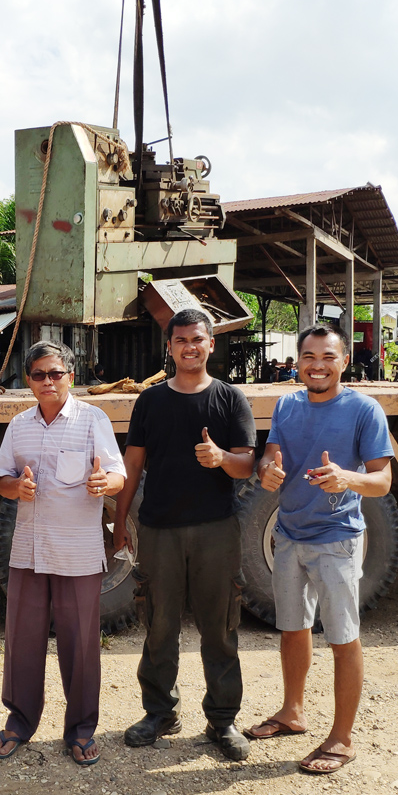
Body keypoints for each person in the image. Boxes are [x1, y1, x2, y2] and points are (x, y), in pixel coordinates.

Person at [245, 324, 393, 773]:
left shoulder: (364, 410)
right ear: (298, 362)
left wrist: (347, 478)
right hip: (289, 536)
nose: (318, 365)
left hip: (336, 540)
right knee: (293, 629)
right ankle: (292, 712)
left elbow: (382, 481)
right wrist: (266, 471)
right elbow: (270, 456)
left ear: (344, 361)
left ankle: (342, 738)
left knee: (343, 639)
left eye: (328, 356)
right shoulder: (287, 405)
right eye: (309, 356)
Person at [113, 308, 257, 761]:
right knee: (159, 624)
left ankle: (222, 719)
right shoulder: (151, 401)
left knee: (220, 627)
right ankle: (160, 713)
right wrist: (120, 521)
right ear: (170, 347)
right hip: (159, 530)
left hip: (217, 528)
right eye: (181, 340)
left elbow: (246, 464)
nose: (190, 347)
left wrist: (221, 458)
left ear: (211, 343)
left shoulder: (230, 399)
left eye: (198, 339)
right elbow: (132, 464)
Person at [0, 341, 125, 766]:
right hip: (29, 550)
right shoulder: (19, 425)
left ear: (70, 376)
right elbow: (2, 480)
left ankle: (81, 730)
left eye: (55, 373)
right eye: (39, 375)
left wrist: (105, 484)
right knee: (22, 640)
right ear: (28, 380)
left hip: (77, 551)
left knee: (80, 643)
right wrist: (16, 487)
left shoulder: (92, 420)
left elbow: (117, 474)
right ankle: (19, 722)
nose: (48, 381)